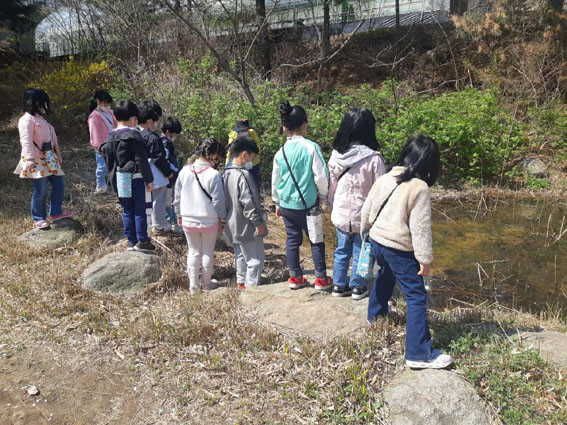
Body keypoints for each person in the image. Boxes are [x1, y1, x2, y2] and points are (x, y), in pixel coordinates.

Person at [361, 135, 452, 369]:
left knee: (385, 275)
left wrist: (365, 234)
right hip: (398, 246)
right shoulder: (419, 187)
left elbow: (366, 211)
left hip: (377, 241)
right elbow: (420, 229)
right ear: (429, 163)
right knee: (416, 295)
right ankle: (418, 354)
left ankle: (376, 316)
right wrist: (425, 260)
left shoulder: (385, 177)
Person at [271, 101, 332, 291]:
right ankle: (321, 278)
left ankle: (295, 277)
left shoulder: (280, 152)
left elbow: (276, 180)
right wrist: (323, 195)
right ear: (304, 125)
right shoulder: (311, 147)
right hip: (308, 204)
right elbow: (321, 176)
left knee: (292, 240)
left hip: (287, 205)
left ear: (284, 127)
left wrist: (277, 203)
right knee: (316, 239)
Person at [328, 108, 386, 300]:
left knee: (341, 250)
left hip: (342, 213)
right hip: (364, 215)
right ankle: (358, 287)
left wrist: (332, 206)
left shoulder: (337, 155)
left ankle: (338, 285)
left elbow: (331, 186)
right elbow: (380, 191)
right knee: (364, 251)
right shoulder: (374, 159)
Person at [100, 100, 155, 252]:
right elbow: (141, 160)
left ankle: (131, 241)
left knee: (127, 210)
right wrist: (149, 180)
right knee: (139, 209)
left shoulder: (110, 138)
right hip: (136, 177)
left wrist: (112, 182)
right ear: (132, 119)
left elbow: (109, 163)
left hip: (120, 179)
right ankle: (143, 241)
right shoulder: (133, 135)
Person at [14, 88, 73, 230]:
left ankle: (56, 212)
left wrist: (57, 156)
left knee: (59, 184)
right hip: (36, 160)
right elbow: (26, 140)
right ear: (35, 102)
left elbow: (52, 140)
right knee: (41, 190)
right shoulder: (26, 120)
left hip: (49, 158)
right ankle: (38, 218)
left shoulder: (41, 118)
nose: (45, 106)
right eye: (43, 102)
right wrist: (29, 158)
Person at [174, 138, 227, 294]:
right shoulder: (214, 175)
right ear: (212, 155)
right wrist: (223, 219)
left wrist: (178, 214)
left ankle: (193, 287)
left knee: (193, 251)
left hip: (188, 219)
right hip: (209, 220)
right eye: (218, 158)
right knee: (207, 252)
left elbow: (177, 197)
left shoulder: (184, 171)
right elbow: (218, 202)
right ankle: (206, 285)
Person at [224, 137, 267, 290]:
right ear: (244, 155)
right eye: (252, 158)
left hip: (232, 225)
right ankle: (252, 293)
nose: (252, 162)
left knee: (241, 256)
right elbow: (249, 203)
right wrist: (258, 223)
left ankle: (241, 285)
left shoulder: (226, 173)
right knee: (255, 260)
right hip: (246, 225)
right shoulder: (244, 175)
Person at [138, 102, 173, 233]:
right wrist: (168, 172)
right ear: (149, 121)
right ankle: (159, 225)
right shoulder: (153, 138)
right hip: (156, 174)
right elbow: (159, 158)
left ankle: (148, 225)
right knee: (159, 200)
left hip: (141, 174)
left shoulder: (134, 134)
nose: (157, 123)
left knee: (146, 202)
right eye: (156, 120)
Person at [87, 89, 117, 193]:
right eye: (106, 103)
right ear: (98, 102)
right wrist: (99, 147)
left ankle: (110, 185)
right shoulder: (94, 117)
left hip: (112, 143)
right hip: (102, 146)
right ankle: (100, 186)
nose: (108, 106)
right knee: (102, 167)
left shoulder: (110, 112)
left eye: (109, 103)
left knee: (112, 166)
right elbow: (94, 134)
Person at [226, 119, 261, 189]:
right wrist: (227, 165)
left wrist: (256, 157)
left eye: (246, 130)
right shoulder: (233, 136)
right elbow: (229, 151)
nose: (245, 132)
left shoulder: (252, 134)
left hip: (253, 162)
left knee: (254, 183)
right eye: (242, 130)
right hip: (238, 162)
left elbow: (257, 147)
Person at [160, 117, 182, 228]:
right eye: (175, 134)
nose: (175, 137)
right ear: (169, 132)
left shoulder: (162, 141)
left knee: (169, 200)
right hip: (169, 177)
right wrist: (175, 171)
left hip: (167, 177)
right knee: (169, 201)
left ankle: (170, 221)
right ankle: (171, 223)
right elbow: (166, 160)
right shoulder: (165, 143)